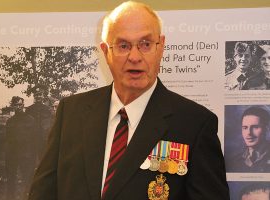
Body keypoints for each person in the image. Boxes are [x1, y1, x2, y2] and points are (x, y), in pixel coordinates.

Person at [28, 2, 229, 200]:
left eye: (146, 44)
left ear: (161, 47)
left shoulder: (195, 125)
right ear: (106, 52)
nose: (135, 56)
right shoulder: (71, 112)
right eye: (123, 46)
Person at [5, 96, 37, 200]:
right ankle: (11, 197)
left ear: (23, 105)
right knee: (11, 179)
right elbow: (8, 140)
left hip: (26, 155)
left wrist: (32, 156)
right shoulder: (10, 122)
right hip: (12, 155)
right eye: (16, 105)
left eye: (20, 104)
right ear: (13, 106)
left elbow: (34, 140)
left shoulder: (30, 120)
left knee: (27, 179)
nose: (18, 107)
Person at [229, 106, 270, 172]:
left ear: (266, 129)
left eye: (255, 127)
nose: (249, 133)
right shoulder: (234, 161)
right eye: (245, 128)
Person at [26, 85, 52, 164]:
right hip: (32, 138)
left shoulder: (47, 109)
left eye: (40, 94)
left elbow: (49, 124)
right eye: (36, 95)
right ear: (34, 96)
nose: (38, 96)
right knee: (31, 160)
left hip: (43, 139)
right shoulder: (29, 109)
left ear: (43, 95)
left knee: (44, 159)